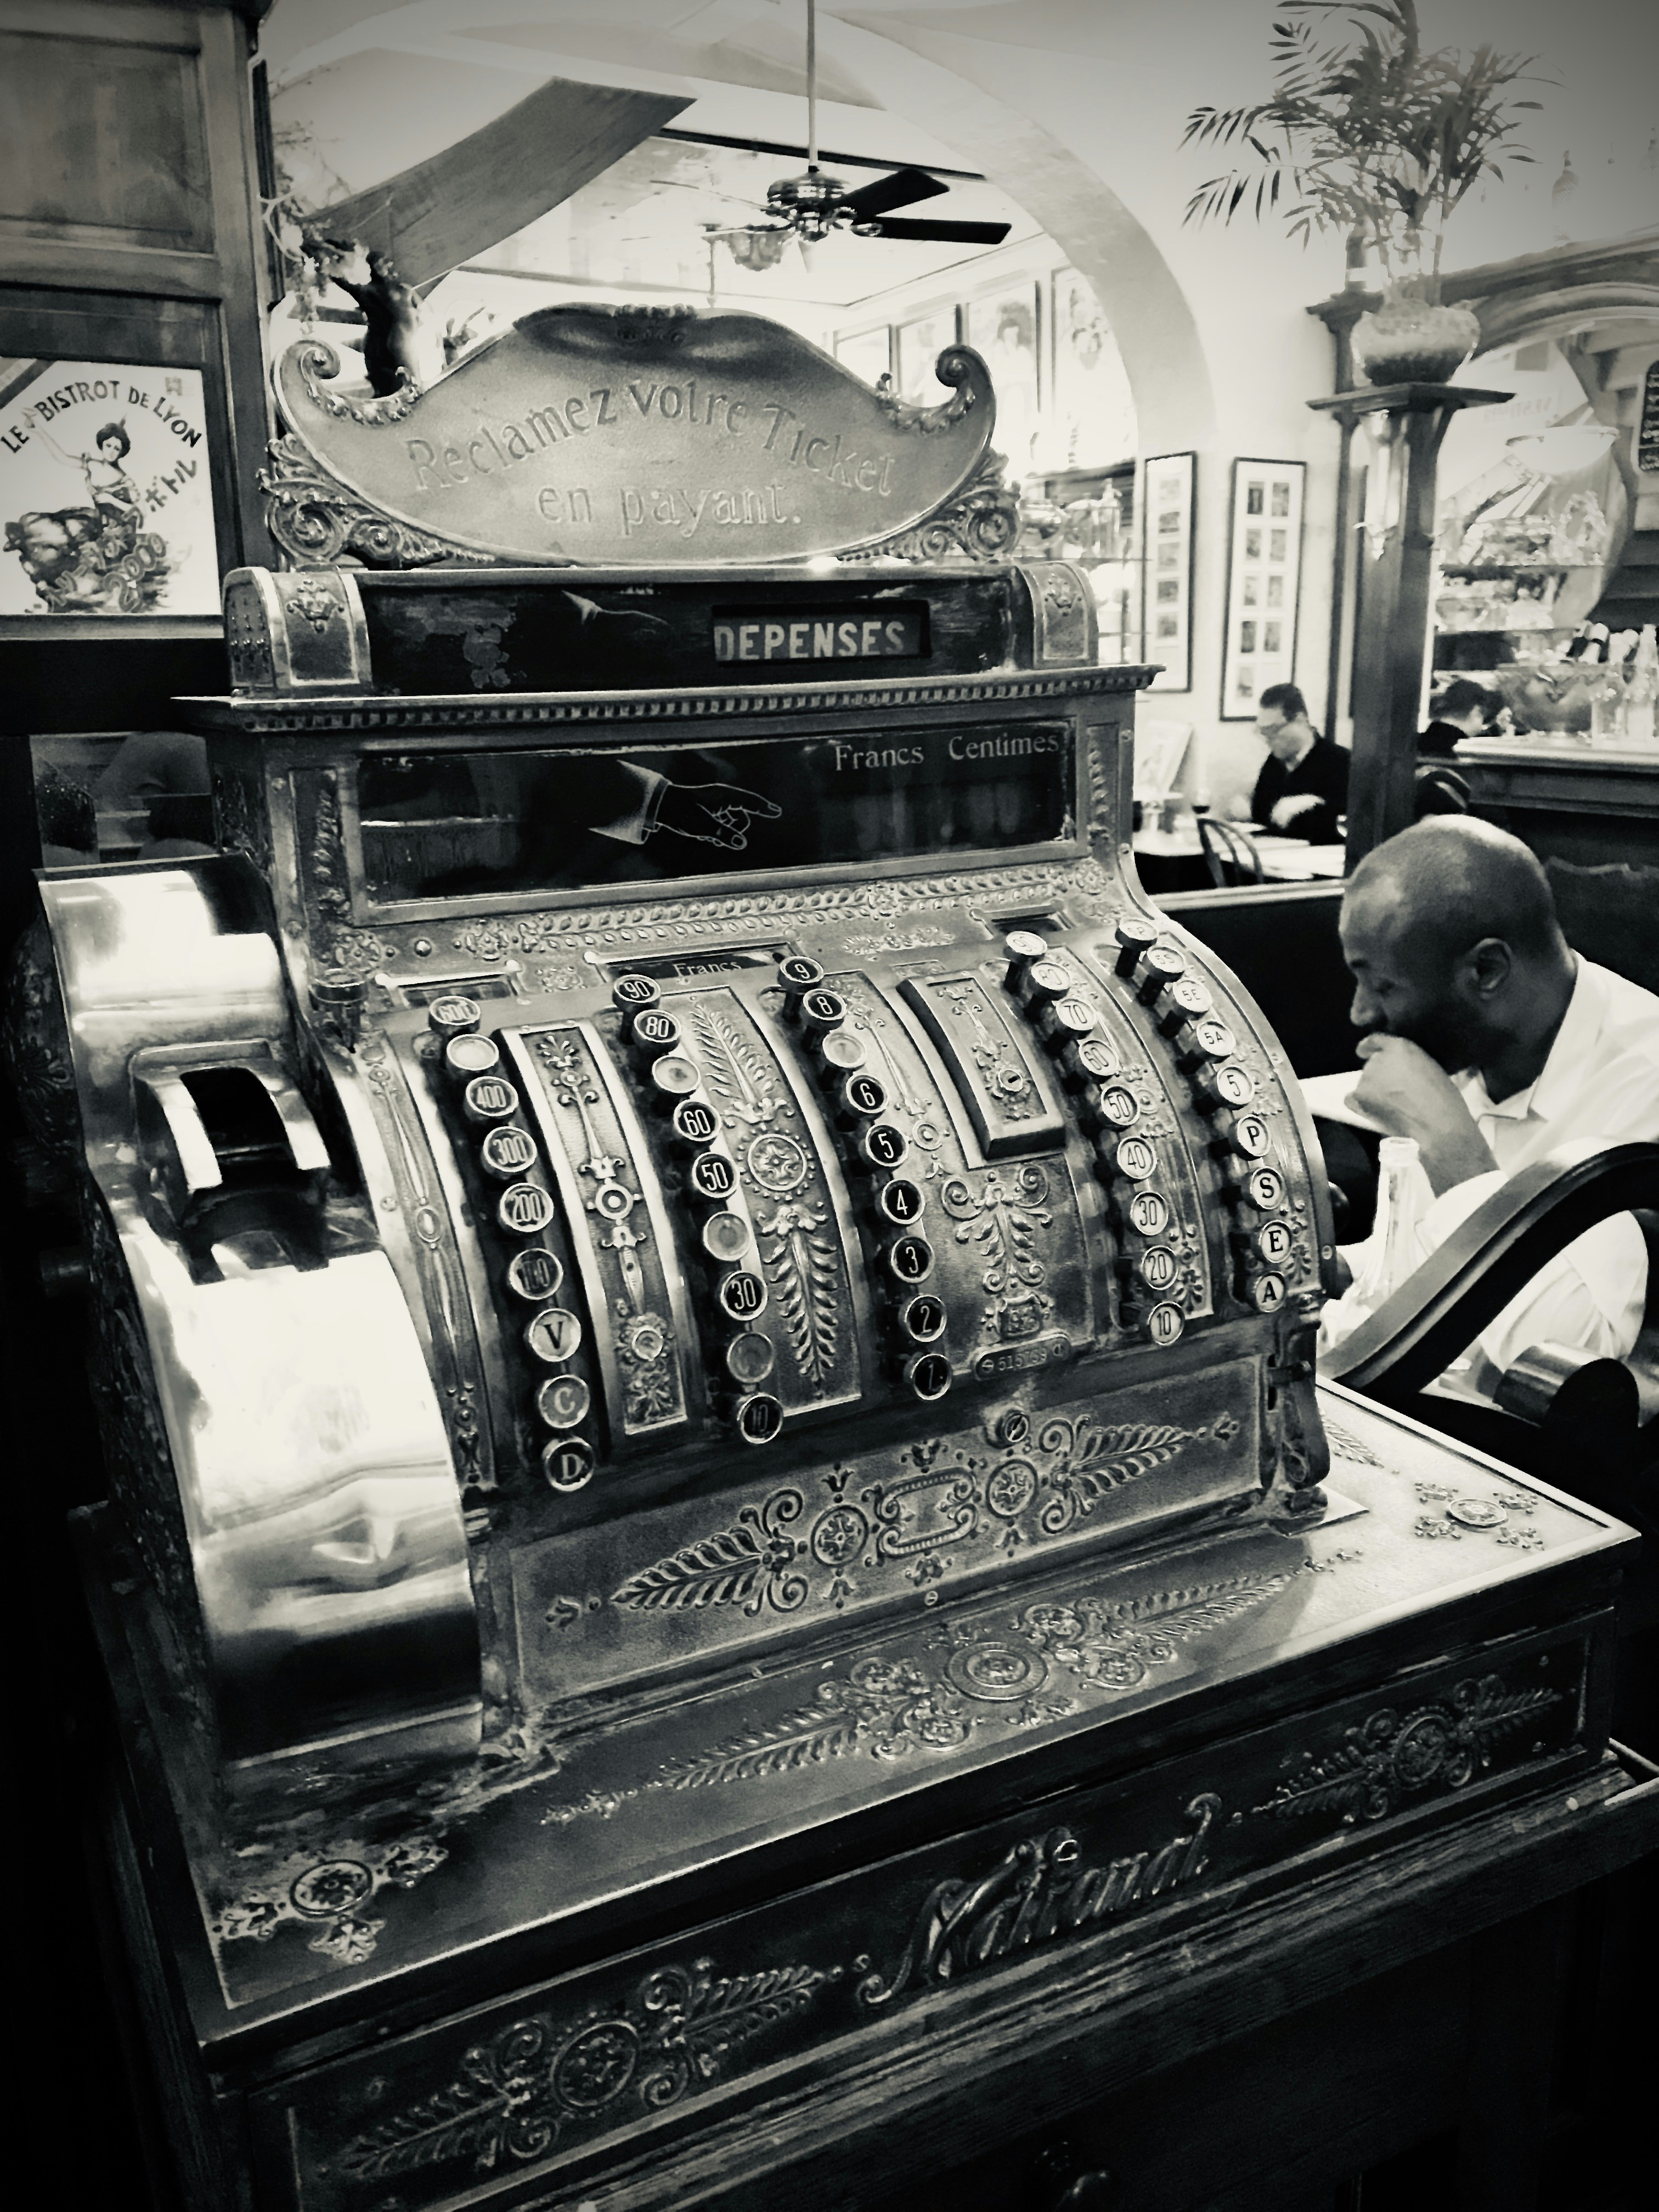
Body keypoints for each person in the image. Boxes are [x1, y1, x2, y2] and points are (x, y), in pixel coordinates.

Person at [1319, 817, 1659, 1404]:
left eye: (1384, 986)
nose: (1359, 1013)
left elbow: (1569, 1357)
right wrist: (1315, 1263)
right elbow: (1425, 1259)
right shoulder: (1476, 1049)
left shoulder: (1645, 1083)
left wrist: (1449, 1146)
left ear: (1487, 971)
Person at [1230, 683, 1348, 844]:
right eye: (1262, 732)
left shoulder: (1340, 761)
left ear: (1300, 720)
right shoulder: (1273, 764)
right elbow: (1262, 815)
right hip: (1272, 857)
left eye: (1273, 731)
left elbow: (1350, 825)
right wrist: (1245, 811)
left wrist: (1316, 804)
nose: (1267, 739)